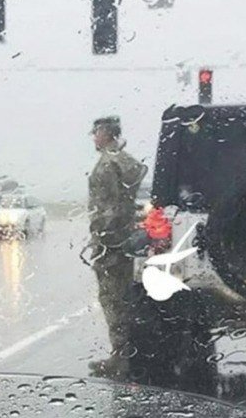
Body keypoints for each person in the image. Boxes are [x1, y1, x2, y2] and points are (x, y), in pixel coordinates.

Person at [87, 116, 147, 378]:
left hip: (112, 241)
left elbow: (111, 207)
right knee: (121, 297)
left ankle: (122, 357)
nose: (94, 137)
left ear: (106, 132)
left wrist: (102, 236)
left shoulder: (109, 163)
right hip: (121, 238)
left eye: (96, 132)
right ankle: (125, 354)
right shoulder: (123, 159)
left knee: (113, 298)